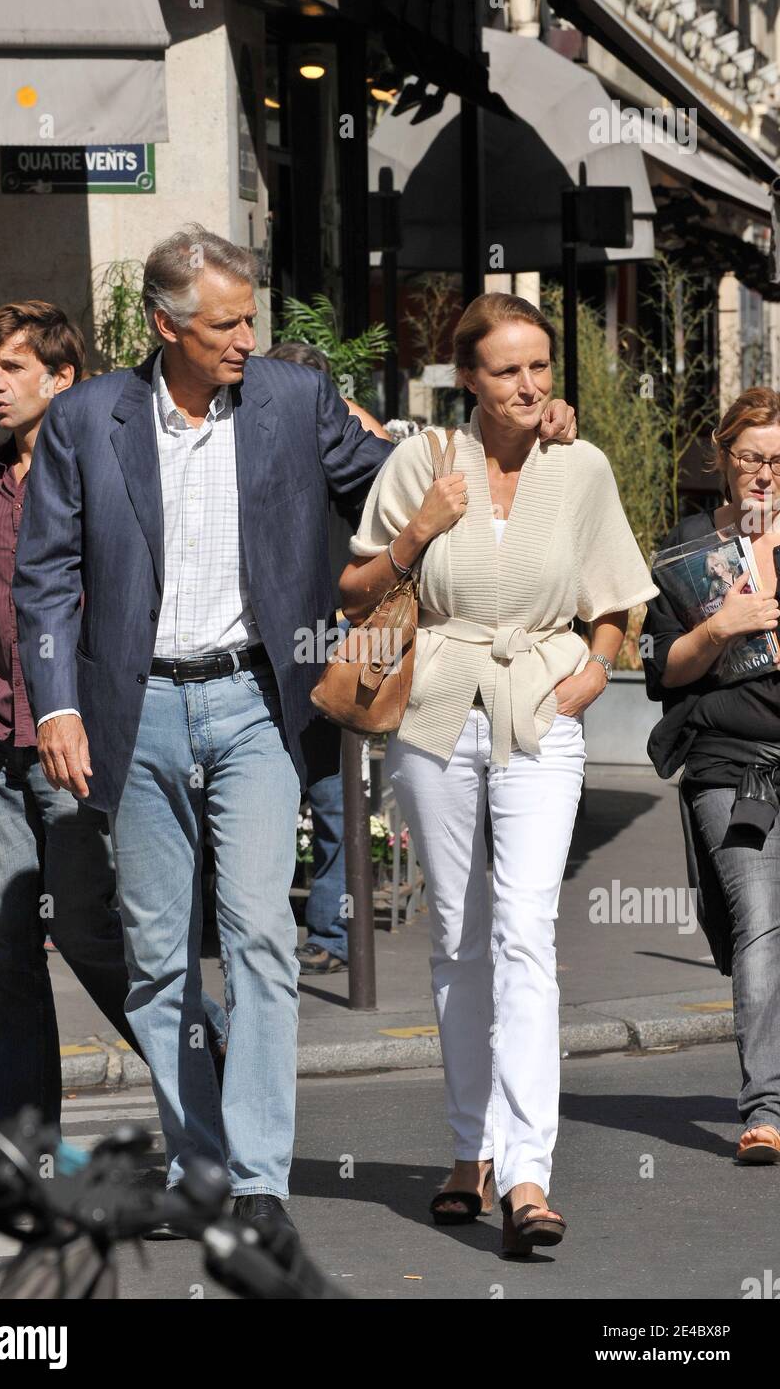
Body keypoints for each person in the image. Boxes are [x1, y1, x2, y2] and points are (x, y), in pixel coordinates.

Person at [12, 241, 578, 1235]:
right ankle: (198, 1163)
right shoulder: (85, 420)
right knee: (157, 960)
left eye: (251, 317)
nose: (248, 339)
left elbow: (404, 480)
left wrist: (520, 427)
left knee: (262, 938)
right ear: (164, 326)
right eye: (226, 323)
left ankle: (259, 1179)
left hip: (256, 706)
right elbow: (46, 574)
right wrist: (55, 705)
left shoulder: (288, 401)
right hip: (133, 711)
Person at [340, 292, 655, 1254]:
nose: (531, 386)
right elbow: (356, 590)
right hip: (437, 705)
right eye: (509, 369)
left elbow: (619, 595)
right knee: (459, 933)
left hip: (541, 702)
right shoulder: (422, 462)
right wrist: (418, 531)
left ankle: (526, 1175)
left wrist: (595, 670)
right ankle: (467, 1149)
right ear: (466, 378)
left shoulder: (582, 465)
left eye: (542, 368)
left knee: (525, 931)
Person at [0, 301, 141, 1129]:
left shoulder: (103, 468)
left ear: (61, 378)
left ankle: (214, 1072)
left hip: (74, 741)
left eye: (12, 369)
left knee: (87, 934)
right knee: (2, 948)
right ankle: (19, 1142)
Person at [642, 386, 780, 1166]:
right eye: (752, 457)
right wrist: (720, 626)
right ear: (725, 460)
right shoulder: (688, 550)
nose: (765, 475)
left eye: (779, 460)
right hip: (732, 765)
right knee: (758, 917)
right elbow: (661, 669)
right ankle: (765, 1108)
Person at [265, 340, 388, 974]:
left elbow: (401, 487)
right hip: (272, 651)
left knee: (337, 800)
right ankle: (268, 935)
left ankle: (333, 937)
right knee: (269, 797)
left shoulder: (348, 456)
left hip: (336, 645)